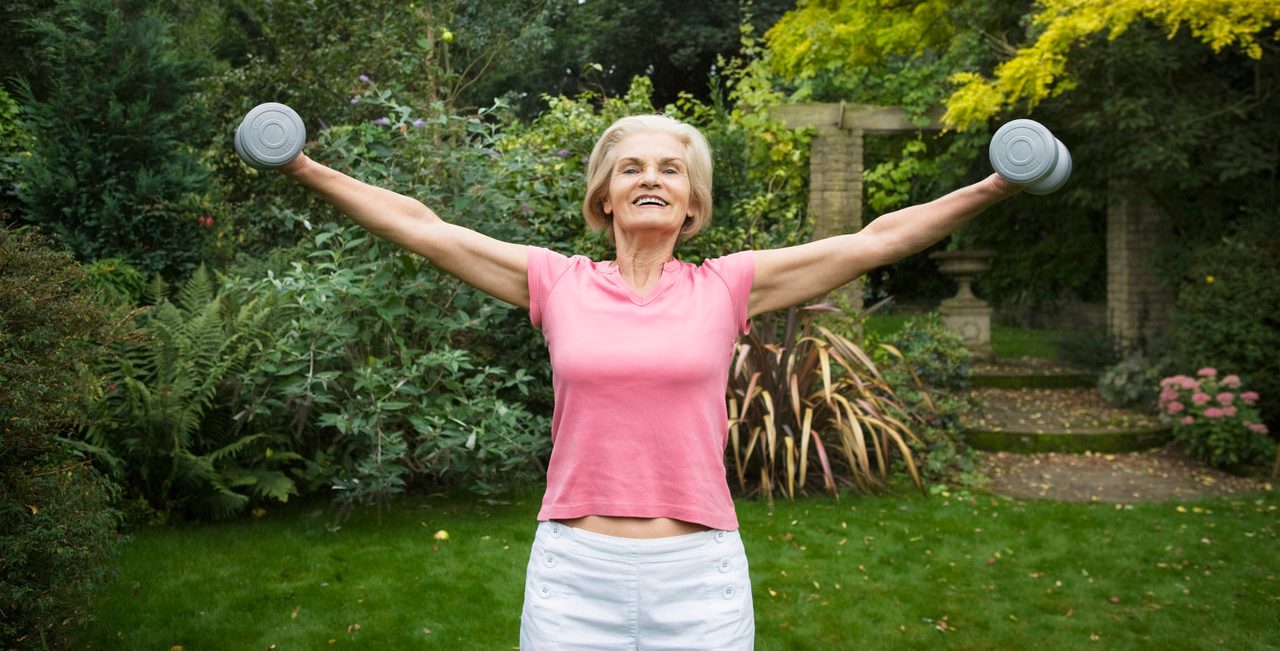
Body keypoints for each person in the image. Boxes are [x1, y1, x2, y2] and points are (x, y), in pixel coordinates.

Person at [278, 113, 1021, 649]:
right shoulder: (555, 281)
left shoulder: (728, 286)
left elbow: (875, 240)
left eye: (671, 169)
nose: (651, 179)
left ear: (692, 204)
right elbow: (423, 227)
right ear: (604, 197)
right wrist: (303, 167)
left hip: (697, 576)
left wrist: (992, 185)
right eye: (632, 167)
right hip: (575, 573)